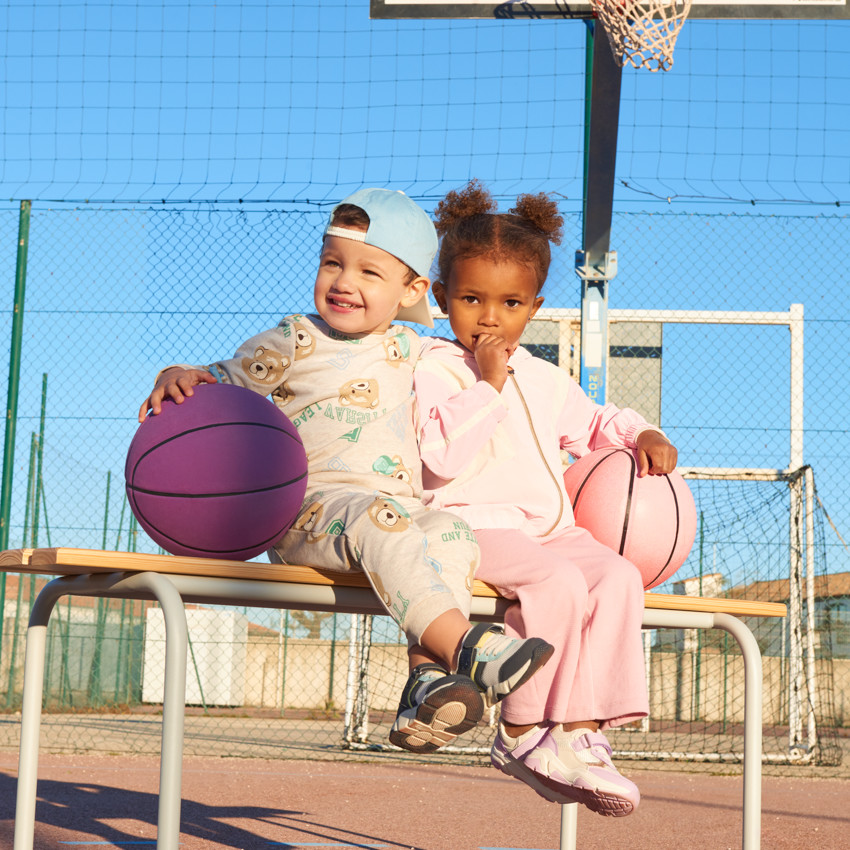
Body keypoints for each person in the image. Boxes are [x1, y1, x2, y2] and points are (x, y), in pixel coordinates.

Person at [138, 187, 553, 754]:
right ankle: (469, 647)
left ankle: (426, 679)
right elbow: (223, 380)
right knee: (380, 518)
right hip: (310, 514)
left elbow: (478, 370)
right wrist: (177, 372)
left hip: (393, 514)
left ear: (412, 290)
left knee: (452, 532)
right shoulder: (294, 339)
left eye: (368, 271)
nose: (343, 281)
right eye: (332, 262)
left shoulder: (415, 348)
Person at [413, 180, 679, 816]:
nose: (489, 317)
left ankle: (580, 732)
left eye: (509, 303)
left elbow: (595, 424)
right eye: (471, 299)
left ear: (532, 307)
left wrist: (641, 432)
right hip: (469, 527)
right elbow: (439, 455)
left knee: (617, 577)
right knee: (556, 582)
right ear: (442, 297)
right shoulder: (432, 366)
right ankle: (522, 729)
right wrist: (488, 384)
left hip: (550, 530)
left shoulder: (543, 376)